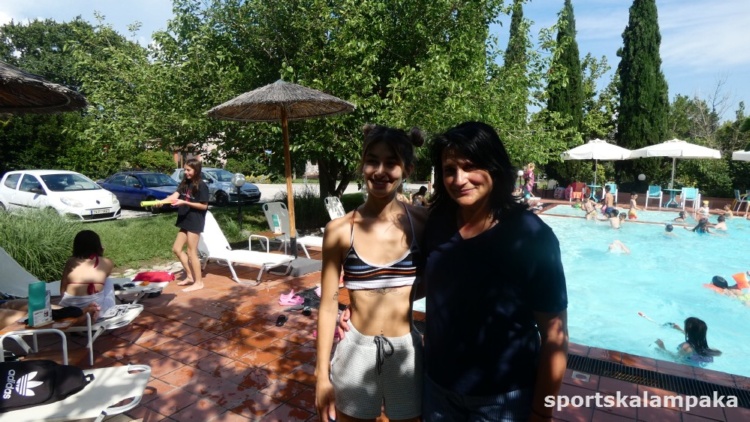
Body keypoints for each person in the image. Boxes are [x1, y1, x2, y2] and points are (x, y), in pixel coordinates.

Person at [421, 122, 567, 421]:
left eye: (470, 166)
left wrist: (542, 412)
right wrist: (362, 304)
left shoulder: (531, 236)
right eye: (449, 169)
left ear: (495, 167)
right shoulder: (437, 224)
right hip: (437, 389)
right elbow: (421, 284)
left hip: (503, 400)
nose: (459, 179)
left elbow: (554, 334)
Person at [315, 124, 426, 422]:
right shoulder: (340, 230)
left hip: (407, 352)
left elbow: (435, 284)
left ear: (407, 169)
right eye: (372, 161)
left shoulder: (421, 223)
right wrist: (321, 374)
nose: (379, 171)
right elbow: (327, 305)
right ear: (362, 165)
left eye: (391, 163)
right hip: (356, 350)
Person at [162, 158, 210, 292]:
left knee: (191, 251)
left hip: (195, 219)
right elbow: (174, 196)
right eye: (185, 170)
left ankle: (199, 282)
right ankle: (190, 276)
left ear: (196, 170)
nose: (186, 172)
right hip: (185, 218)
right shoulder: (185, 182)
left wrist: (185, 202)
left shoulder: (202, 186)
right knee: (177, 249)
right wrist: (161, 201)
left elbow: (204, 206)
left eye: (189, 170)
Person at [59, 230, 116, 323]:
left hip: (68, 307)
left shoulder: (71, 262)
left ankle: (82, 315)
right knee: (108, 280)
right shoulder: (107, 262)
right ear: (97, 246)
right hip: (94, 305)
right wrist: (101, 253)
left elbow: (62, 290)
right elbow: (103, 274)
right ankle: (102, 313)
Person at [654, 317, 722, 365]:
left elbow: (675, 358)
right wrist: (679, 329)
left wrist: (662, 347)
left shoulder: (687, 347)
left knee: (656, 350)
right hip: (698, 367)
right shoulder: (704, 345)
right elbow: (694, 336)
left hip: (686, 367)